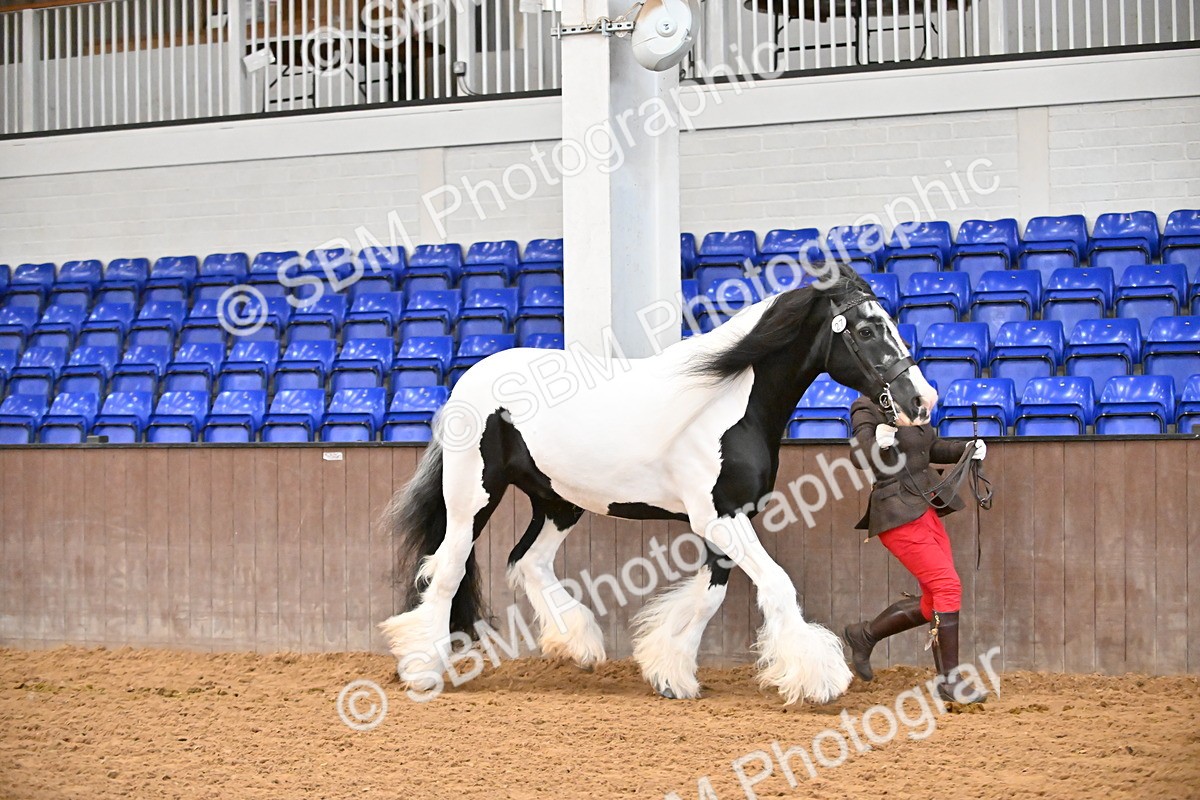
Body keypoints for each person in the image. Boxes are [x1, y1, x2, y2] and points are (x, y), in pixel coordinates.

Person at [843, 395, 988, 704]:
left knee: (933, 601)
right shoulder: (866, 407)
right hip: (896, 513)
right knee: (947, 586)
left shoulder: (911, 399)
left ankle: (865, 634)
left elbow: (928, 448)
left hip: (925, 508)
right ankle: (949, 682)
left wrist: (964, 449)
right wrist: (879, 442)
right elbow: (859, 456)